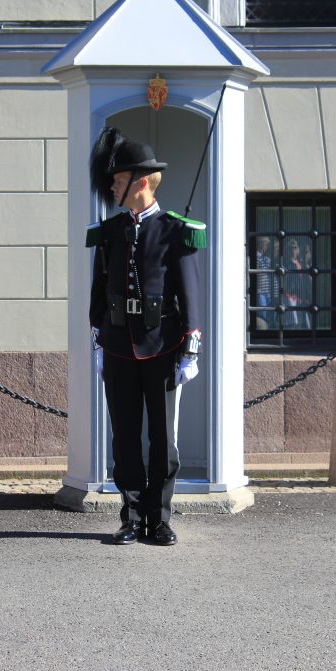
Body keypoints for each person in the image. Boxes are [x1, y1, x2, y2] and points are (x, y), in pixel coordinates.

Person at [86, 127, 205, 546]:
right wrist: (99, 336)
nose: (111, 186)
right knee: (125, 437)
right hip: (119, 347)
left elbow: (188, 293)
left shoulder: (174, 231)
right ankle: (132, 516)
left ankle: (159, 518)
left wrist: (190, 345)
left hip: (162, 347)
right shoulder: (112, 232)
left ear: (139, 182)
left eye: (118, 180)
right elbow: (99, 293)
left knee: (162, 440)